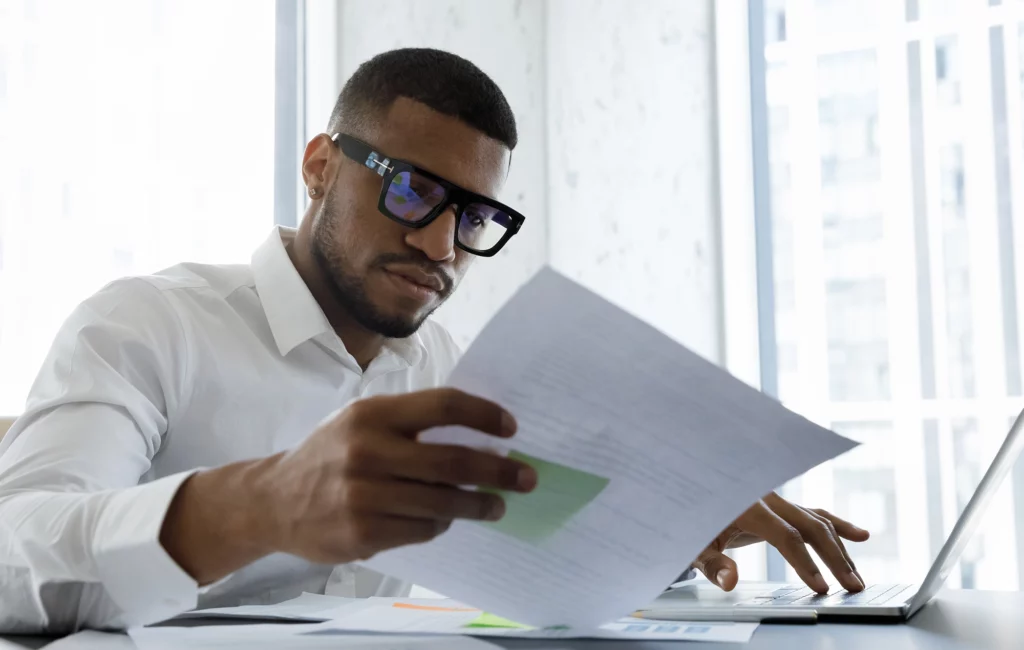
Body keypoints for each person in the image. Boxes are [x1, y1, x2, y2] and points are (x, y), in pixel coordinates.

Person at [0, 48, 869, 634]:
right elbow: (12, 555)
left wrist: (674, 522)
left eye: (476, 216)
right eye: (413, 192)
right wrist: (261, 501)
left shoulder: (448, 368)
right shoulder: (147, 326)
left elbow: (533, 535)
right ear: (320, 167)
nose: (442, 247)